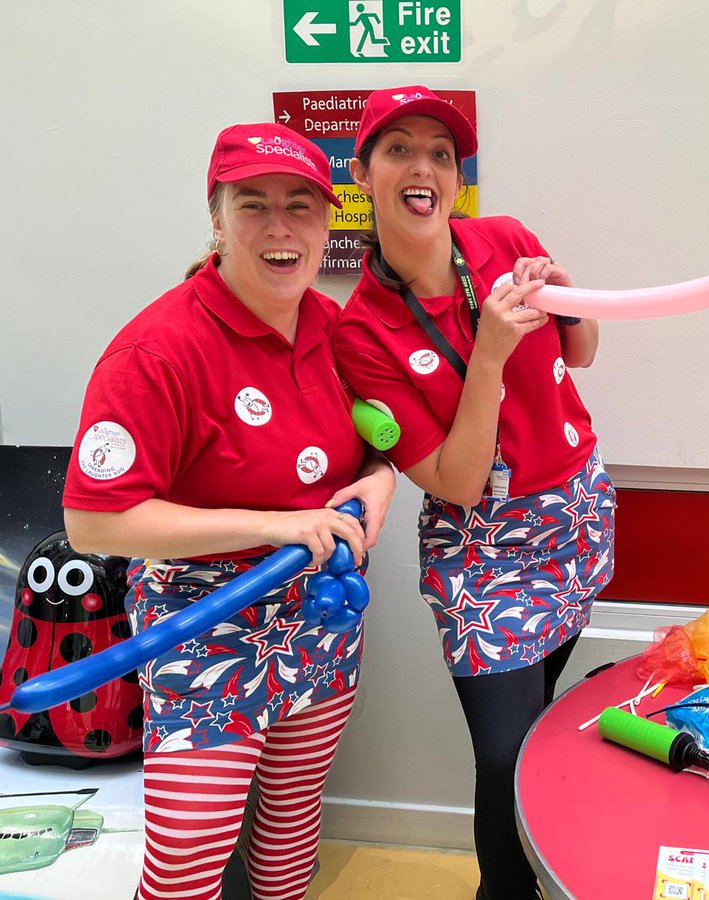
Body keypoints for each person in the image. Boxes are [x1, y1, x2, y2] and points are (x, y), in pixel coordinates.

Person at [62, 122, 396, 900]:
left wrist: (379, 481)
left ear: (328, 222)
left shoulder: (332, 327)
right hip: (201, 627)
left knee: (291, 822)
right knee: (183, 865)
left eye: (300, 206)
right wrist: (276, 525)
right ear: (216, 217)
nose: (280, 228)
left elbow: (380, 441)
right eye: (253, 205)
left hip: (319, 618)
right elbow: (96, 523)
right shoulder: (158, 351)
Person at [334, 86, 616, 900]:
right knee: (503, 752)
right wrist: (489, 351)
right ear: (363, 172)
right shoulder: (361, 332)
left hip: (573, 515)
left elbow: (585, 351)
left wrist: (568, 291)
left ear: (457, 177)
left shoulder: (504, 238)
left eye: (440, 154)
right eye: (398, 150)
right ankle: (507, 891)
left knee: (535, 730)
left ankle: (543, 868)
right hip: (484, 549)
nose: (422, 167)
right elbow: (455, 482)